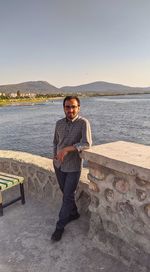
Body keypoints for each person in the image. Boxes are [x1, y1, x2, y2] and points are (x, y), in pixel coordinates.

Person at [51, 95, 92, 242]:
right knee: (66, 194)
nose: (70, 110)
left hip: (73, 168)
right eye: (67, 107)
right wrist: (55, 155)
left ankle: (60, 227)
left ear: (78, 108)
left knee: (67, 196)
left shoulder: (83, 123)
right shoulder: (59, 123)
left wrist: (68, 149)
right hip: (58, 166)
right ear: (64, 108)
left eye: (73, 106)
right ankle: (74, 213)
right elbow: (55, 142)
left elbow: (87, 144)